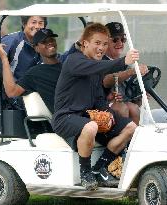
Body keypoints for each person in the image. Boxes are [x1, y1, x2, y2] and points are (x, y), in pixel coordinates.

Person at [51, 23, 139, 190]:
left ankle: (100, 167)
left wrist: (109, 113)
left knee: (131, 127)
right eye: (97, 43)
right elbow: (99, 67)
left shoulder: (94, 67)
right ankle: (85, 173)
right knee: (91, 127)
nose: (102, 48)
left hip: (87, 116)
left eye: (105, 44)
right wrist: (124, 62)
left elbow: (98, 100)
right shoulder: (74, 61)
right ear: (85, 43)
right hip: (65, 118)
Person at [0, 16, 47, 110]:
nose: (37, 26)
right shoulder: (12, 40)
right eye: (33, 22)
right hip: (8, 95)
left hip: (27, 94)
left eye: (40, 23)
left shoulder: (44, 46)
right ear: (24, 24)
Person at [0, 28, 62, 114]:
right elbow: (12, 91)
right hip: (65, 117)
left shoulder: (66, 66)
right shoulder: (35, 73)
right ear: (36, 48)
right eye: (44, 41)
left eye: (52, 39)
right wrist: (4, 58)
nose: (50, 42)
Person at [103, 22, 148, 125]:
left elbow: (132, 98)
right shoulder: (101, 62)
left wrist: (140, 95)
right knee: (124, 108)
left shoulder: (126, 64)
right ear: (105, 42)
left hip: (124, 105)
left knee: (134, 108)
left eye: (123, 39)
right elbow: (107, 81)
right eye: (115, 40)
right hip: (102, 108)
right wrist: (132, 72)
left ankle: (133, 140)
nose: (120, 43)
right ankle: (123, 139)